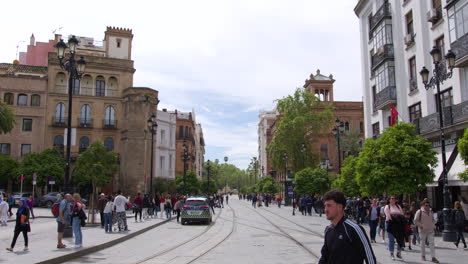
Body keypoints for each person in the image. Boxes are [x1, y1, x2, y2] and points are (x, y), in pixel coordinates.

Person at [319, 190, 376, 264]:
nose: (325, 210)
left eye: (329, 206)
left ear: (340, 207)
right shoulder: (328, 230)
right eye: (325, 206)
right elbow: (324, 257)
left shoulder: (354, 229)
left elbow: (370, 258)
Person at [384, 196, 405, 260]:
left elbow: (402, 214)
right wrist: (395, 219)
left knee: (400, 238)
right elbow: (388, 215)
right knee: (391, 240)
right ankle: (392, 253)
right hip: (390, 224)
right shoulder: (387, 206)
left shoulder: (398, 206)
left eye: (394, 199)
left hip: (398, 224)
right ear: (389, 200)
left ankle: (398, 252)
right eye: (392, 198)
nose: (393, 200)